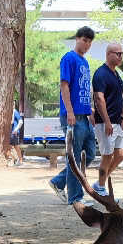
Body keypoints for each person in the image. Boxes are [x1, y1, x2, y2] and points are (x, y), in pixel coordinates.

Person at [49, 26, 96, 205]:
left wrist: (90, 110)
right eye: (84, 40)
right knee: (75, 157)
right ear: (77, 39)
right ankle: (75, 198)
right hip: (72, 115)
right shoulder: (69, 58)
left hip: (84, 116)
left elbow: (85, 89)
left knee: (90, 154)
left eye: (90, 41)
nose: (87, 44)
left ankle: (58, 182)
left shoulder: (85, 62)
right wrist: (69, 111)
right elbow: (64, 86)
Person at [92, 41, 123, 194]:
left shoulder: (117, 74)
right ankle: (100, 186)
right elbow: (99, 99)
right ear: (108, 54)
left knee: (120, 155)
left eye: (122, 54)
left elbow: (119, 98)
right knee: (107, 156)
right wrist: (106, 122)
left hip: (117, 122)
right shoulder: (100, 73)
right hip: (104, 123)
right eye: (117, 53)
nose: (121, 56)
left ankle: (101, 181)